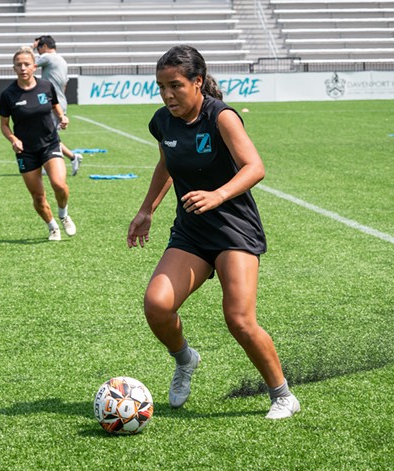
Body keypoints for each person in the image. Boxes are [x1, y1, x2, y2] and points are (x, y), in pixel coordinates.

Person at [126, 45, 300, 419]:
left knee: (238, 318)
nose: (168, 95)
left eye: (175, 86)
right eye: (161, 87)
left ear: (198, 82)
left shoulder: (221, 117)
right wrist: (146, 210)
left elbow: (255, 167)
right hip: (191, 231)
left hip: (234, 229)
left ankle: (283, 394)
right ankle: (185, 359)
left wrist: (217, 195)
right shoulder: (162, 121)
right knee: (157, 305)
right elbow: (166, 164)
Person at [0, 46, 77, 241]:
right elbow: (4, 125)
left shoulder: (45, 86)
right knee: (38, 197)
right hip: (26, 152)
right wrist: (13, 139)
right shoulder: (8, 95)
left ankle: (63, 214)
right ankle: (53, 227)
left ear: (35, 66)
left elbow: (55, 105)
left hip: (50, 144)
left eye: (26, 64)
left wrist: (62, 117)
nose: (23, 68)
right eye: (19, 65)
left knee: (59, 185)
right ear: (14, 68)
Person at [33, 35, 83, 176]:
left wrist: (30, 48)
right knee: (48, 135)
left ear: (44, 47)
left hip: (51, 102)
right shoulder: (62, 60)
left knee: (47, 136)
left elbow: (29, 64)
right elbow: (65, 84)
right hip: (60, 101)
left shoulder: (48, 57)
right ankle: (73, 158)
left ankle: (58, 163)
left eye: (38, 48)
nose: (38, 52)